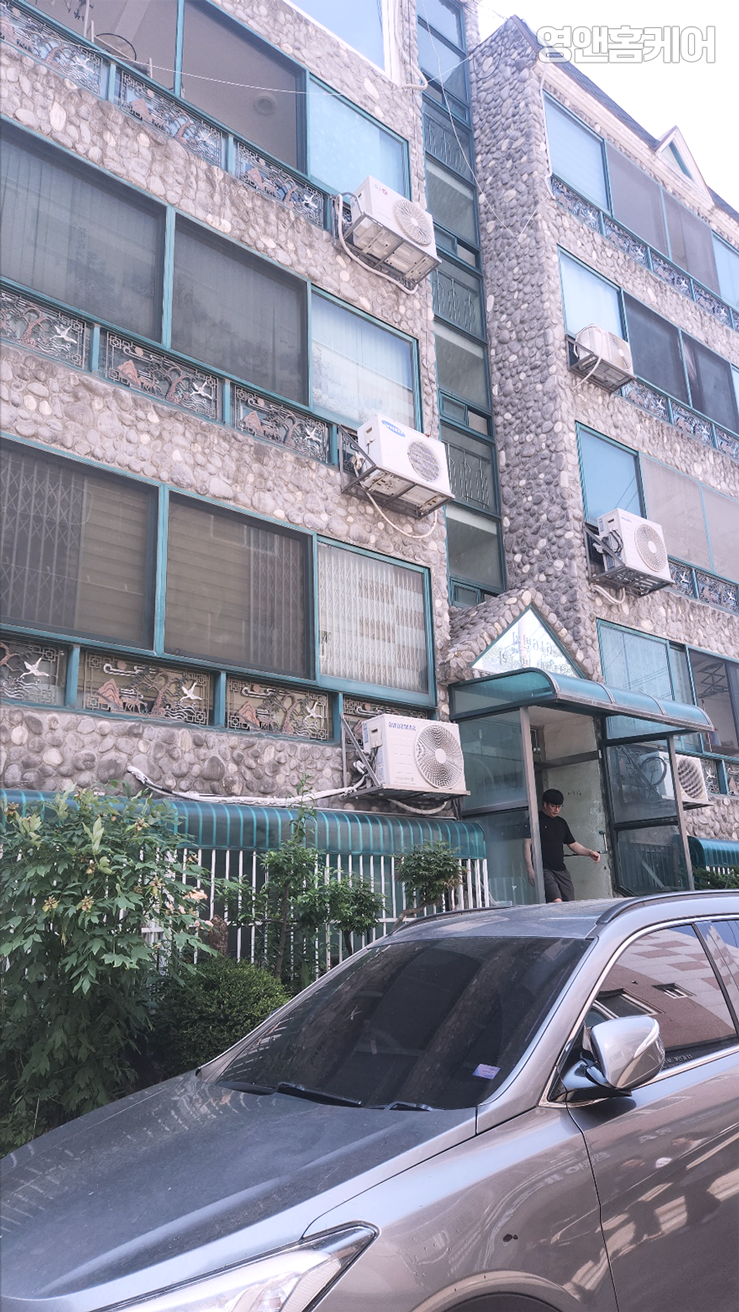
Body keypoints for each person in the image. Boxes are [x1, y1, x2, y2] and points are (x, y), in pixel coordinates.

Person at [524, 788, 600, 903]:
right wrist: (530, 869)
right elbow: (526, 845)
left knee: (569, 903)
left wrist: (589, 852)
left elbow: (573, 845)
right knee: (556, 901)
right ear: (545, 804)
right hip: (543, 869)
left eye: (559, 806)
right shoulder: (534, 820)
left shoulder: (561, 823)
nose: (557, 810)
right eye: (553, 806)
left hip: (561, 869)